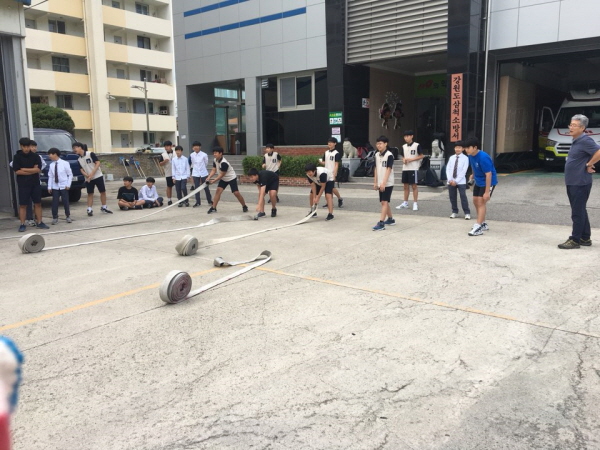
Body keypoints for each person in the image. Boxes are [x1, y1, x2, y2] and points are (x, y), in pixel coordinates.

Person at [558, 114, 600, 249]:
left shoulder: (585, 140)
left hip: (580, 182)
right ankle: (585, 237)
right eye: (570, 124)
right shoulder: (576, 140)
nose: (571, 127)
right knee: (580, 209)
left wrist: (589, 164)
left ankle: (575, 240)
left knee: (577, 212)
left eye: (574, 125)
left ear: (582, 128)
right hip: (573, 181)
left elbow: (599, 152)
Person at [11, 137, 49, 232]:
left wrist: (24, 169)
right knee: (23, 205)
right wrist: (32, 170)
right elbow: (17, 171)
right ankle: (22, 224)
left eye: (28, 146)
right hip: (23, 184)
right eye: (24, 147)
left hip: (35, 183)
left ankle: (39, 222)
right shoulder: (17, 157)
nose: (26, 149)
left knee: (38, 203)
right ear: (21, 146)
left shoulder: (36, 156)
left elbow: (38, 170)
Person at [464, 137, 497, 236]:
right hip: (478, 181)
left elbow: (489, 175)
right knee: (475, 200)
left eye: (468, 148)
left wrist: (487, 192)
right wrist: (473, 175)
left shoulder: (483, 157)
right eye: (465, 148)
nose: (466, 150)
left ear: (475, 147)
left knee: (481, 202)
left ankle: (478, 226)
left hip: (488, 182)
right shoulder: (471, 155)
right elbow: (474, 166)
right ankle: (483, 223)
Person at [73, 142, 112, 216]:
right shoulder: (79, 159)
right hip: (88, 179)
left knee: (102, 191)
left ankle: (104, 207)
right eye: (73, 148)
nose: (74, 150)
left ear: (80, 147)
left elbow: (97, 163)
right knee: (90, 193)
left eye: (75, 148)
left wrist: (92, 174)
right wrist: (87, 176)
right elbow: (81, 170)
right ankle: (89, 209)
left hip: (98, 176)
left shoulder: (90, 154)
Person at [206, 146, 248, 214]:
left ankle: (244, 206)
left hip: (231, 178)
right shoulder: (215, 160)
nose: (214, 154)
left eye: (216, 153)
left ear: (220, 153)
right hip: (224, 179)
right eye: (213, 153)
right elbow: (214, 170)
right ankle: (213, 208)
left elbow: (222, 174)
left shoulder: (224, 163)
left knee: (236, 193)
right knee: (218, 191)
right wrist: (209, 177)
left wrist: (214, 181)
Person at [372, 135, 395, 231]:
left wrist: (384, 183)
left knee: (384, 202)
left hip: (388, 183)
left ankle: (381, 223)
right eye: (377, 143)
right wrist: (375, 182)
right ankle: (390, 219)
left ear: (386, 144)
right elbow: (376, 168)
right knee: (383, 201)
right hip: (380, 181)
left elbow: (388, 169)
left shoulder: (389, 155)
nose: (379, 145)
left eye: (380, 143)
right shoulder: (376, 155)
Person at [396, 130, 423, 211]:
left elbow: (421, 156)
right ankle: (405, 202)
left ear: (412, 136)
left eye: (407, 136)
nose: (406, 138)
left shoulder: (416, 145)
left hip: (413, 168)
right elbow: (401, 156)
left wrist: (412, 159)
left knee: (414, 186)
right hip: (405, 168)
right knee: (405, 186)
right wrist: (403, 159)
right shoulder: (404, 146)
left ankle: (415, 203)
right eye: (405, 136)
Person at [445, 140, 471, 220]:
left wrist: (456, 181)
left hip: (461, 181)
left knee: (463, 196)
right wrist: (450, 179)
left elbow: (464, 171)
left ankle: (467, 213)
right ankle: (454, 211)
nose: (457, 149)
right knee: (452, 197)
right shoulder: (451, 158)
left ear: (463, 149)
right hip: (451, 181)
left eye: (459, 147)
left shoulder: (465, 158)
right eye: (456, 147)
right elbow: (448, 169)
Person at [46, 148, 73, 224]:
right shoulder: (51, 165)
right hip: (55, 186)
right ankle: (55, 217)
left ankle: (67, 216)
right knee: (55, 202)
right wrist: (49, 186)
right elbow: (50, 176)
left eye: (50, 154)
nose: (49, 156)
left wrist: (68, 184)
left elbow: (70, 174)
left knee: (65, 201)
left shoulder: (65, 163)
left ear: (55, 154)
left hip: (64, 185)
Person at [319, 137, 344, 208]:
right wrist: (320, 162)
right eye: (328, 142)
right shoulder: (326, 152)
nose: (329, 144)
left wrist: (335, 173)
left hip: (332, 172)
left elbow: (336, 164)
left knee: (332, 187)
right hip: (326, 172)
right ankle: (329, 202)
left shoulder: (336, 153)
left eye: (331, 142)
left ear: (335, 143)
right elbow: (325, 162)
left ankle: (339, 198)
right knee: (326, 187)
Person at [25, 140, 45, 226]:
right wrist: (30, 169)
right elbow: (13, 165)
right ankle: (29, 218)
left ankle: (38, 219)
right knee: (27, 202)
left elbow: (42, 166)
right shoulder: (22, 156)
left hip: (36, 181)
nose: (34, 148)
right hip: (25, 182)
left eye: (35, 147)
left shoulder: (38, 157)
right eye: (32, 147)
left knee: (37, 202)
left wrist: (36, 170)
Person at [189, 141, 212, 207]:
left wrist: (202, 169)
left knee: (206, 188)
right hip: (195, 173)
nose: (196, 147)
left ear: (200, 147)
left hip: (203, 173)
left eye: (197, 146)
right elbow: (193, 163)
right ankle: (198, 202)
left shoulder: (204, 155)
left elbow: (206, 163)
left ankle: (209, 201)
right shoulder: (192, 155)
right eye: (194, 146)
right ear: (193, 147)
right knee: (196, 188)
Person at [159, 140, 174, 205]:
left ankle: (181, 199)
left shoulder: (175, 153)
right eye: (165, 146)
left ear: (171, 146)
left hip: (177, 173)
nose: (166, 148)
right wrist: (164, 161)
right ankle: (169, 199)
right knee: (169, 186)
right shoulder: (163, 155)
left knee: (179, 187)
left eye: (168, 146)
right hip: (168, 173)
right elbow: (160, 164)